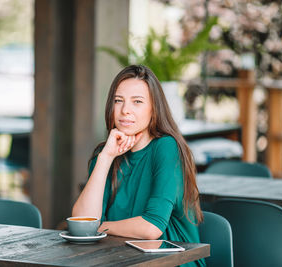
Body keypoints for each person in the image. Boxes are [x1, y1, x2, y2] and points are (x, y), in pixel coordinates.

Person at [72, 65, 204, 266]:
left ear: (154, 108)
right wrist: (106, 157)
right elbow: (83, 222)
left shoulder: (166, 147)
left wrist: (100, 227)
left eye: (137, 102)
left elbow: (152, 227)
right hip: (120, 259)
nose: (125, 110)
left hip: (171, 262)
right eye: (118, 101)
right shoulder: (107, 152)